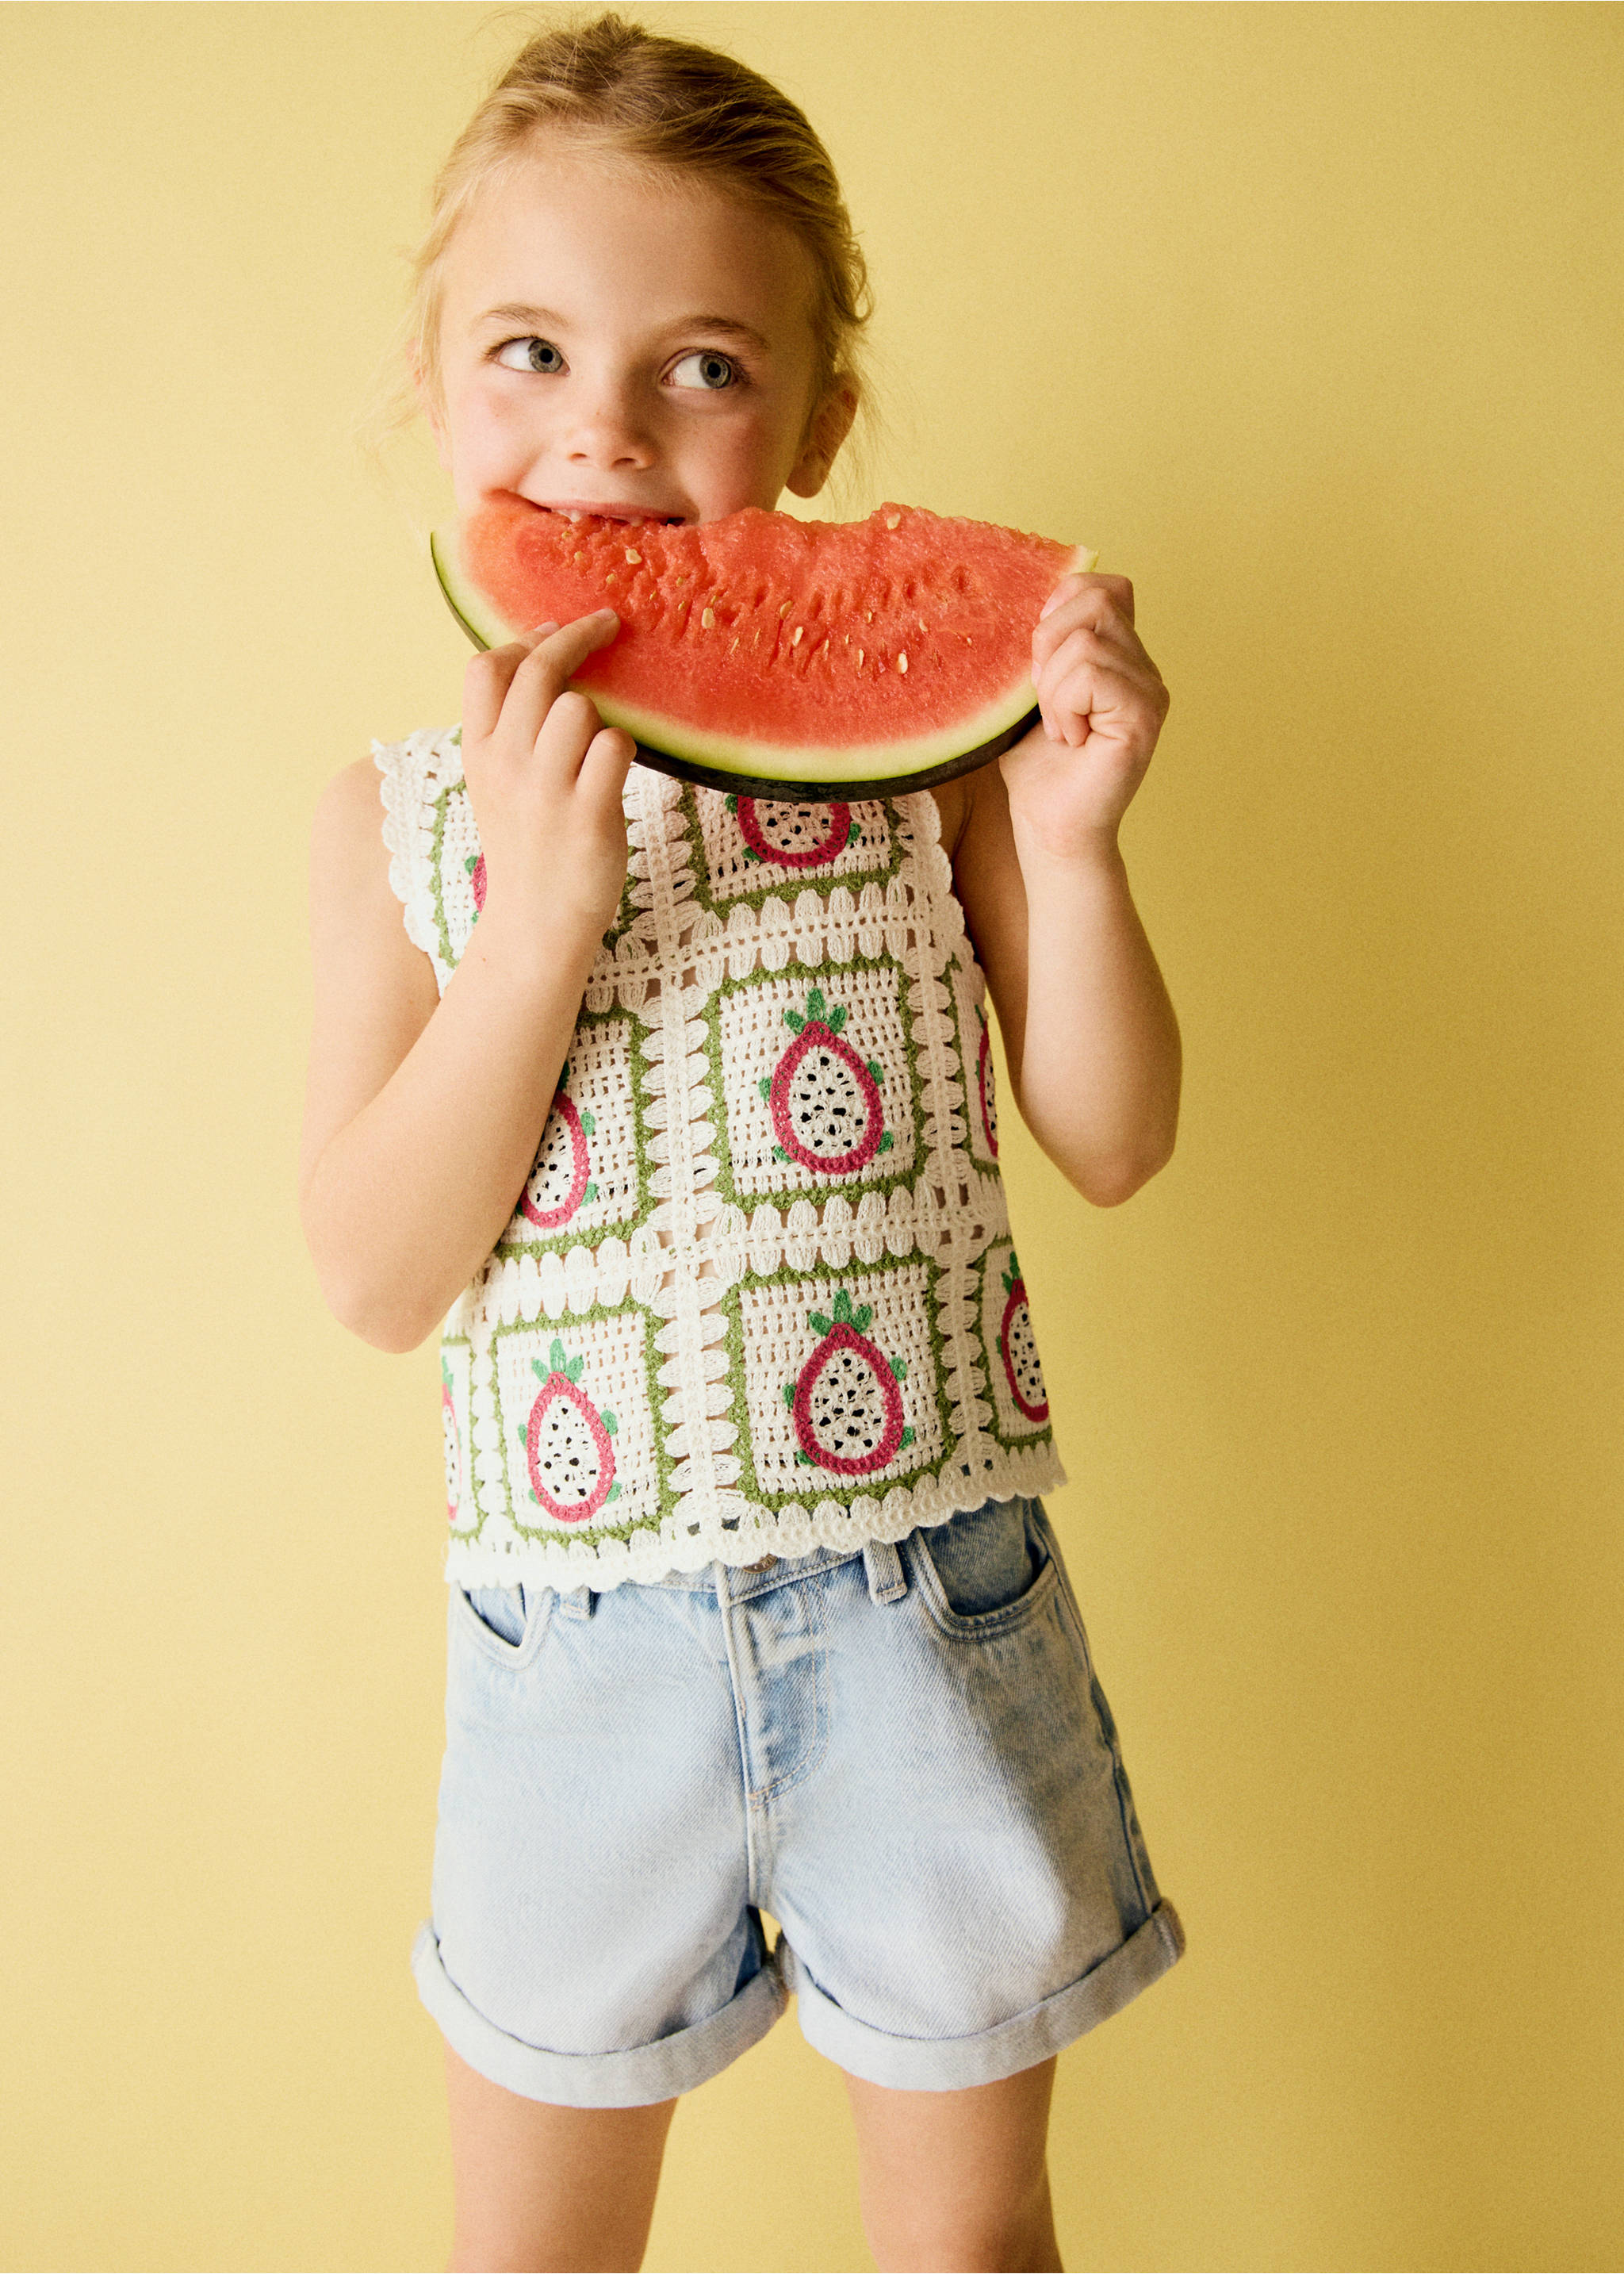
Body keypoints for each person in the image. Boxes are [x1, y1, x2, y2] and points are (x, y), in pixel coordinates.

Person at [300, 14, 1184, 2270]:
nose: (601, 427)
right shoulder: (391, 822)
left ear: (818, 418)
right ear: (429, 378)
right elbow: (380, 1271)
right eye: (529, 350)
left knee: (973, 2243)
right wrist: (533, 933)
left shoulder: (939, 773)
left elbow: (1111, 1133)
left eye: (700, 365)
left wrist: (1070, 844)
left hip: (931, 1600)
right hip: (568, 1650)